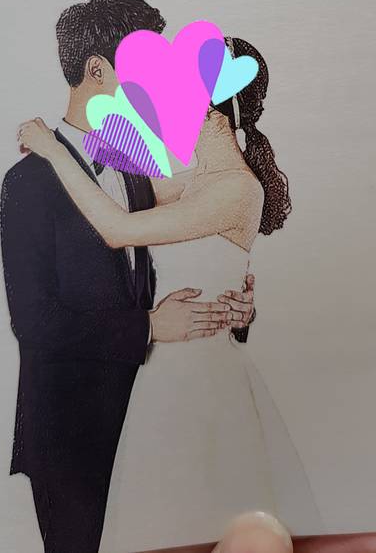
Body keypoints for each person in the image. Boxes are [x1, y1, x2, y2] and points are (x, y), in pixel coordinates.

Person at [18, 36, 323, 550]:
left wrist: (51, 149)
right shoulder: (197, 180)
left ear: (212, 110)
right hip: (164, 376)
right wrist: (63, 152)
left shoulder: (236, 188)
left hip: (202, 384)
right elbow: (114, 192)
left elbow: (117, 228)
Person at [0, 0, 254, 553]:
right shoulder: (28, 183)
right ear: (97, 70)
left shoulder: (135, 167)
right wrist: (149, 328)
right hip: (72, 431)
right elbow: (34, 321)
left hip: (150, 420)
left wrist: (232, 307)